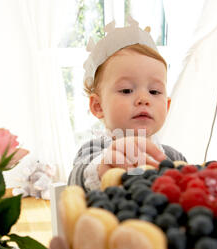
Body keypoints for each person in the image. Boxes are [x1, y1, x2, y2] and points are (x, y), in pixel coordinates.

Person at [68, 17, 187, 191]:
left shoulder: (172, 156)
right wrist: (102, 168)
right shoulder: (94, 150)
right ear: (98, 106)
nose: (143, 99)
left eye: (154, 91)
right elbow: (76, 181)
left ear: (167, 106)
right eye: (126, 90)